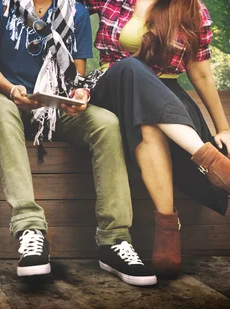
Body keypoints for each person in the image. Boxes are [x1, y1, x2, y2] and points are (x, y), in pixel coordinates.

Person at [0, 0, 157, 286]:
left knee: (107, 123)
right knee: (0, 110)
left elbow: (75, 75)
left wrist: (77, 97)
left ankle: (114, 240)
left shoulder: (77, 12)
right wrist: (11, 90)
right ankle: (30, 230)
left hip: (54, 106)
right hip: (7, 98)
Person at [81, 0, 230, 278]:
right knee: (130, 67)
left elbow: (202, 73)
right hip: (111, 88)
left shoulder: (192, 8)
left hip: (166, 95)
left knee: (148, 123)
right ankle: (214, 165)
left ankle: (167, 229)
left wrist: (224, 129)